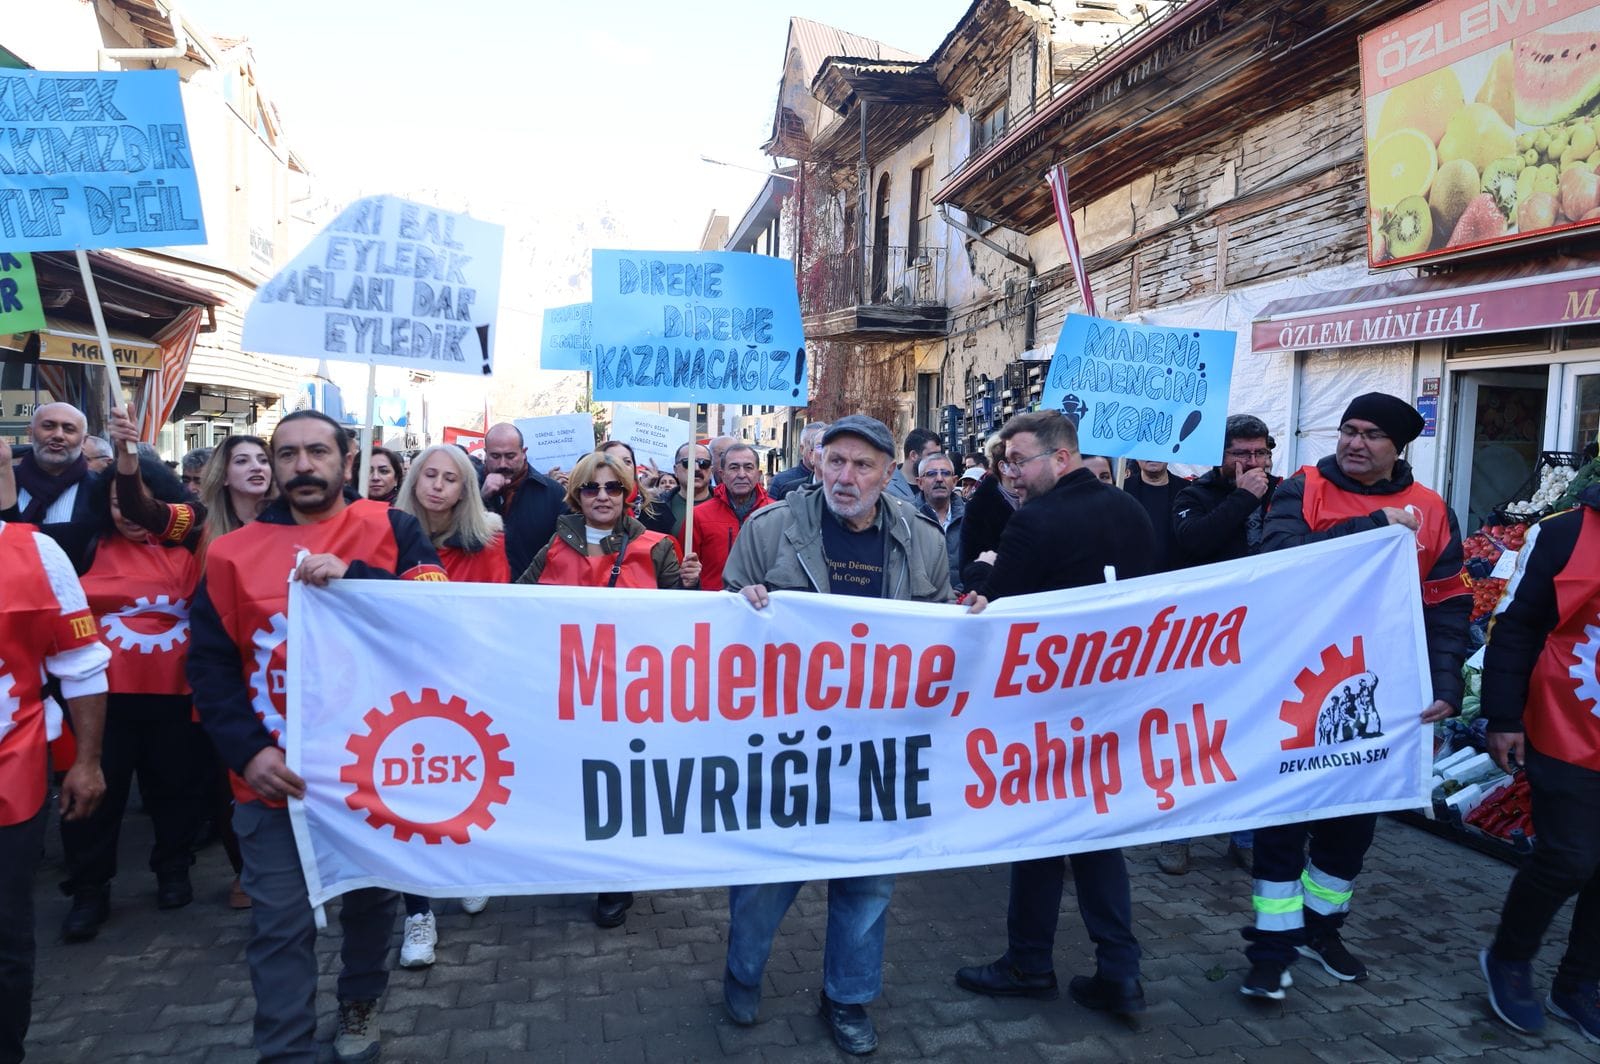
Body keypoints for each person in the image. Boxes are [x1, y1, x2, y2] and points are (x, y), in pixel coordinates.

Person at [187, 409, 447, 1064]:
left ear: (346, 458)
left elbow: (439, 614)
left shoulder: (394, 527)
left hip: (372, 770)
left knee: (370, 903)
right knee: (279, 924)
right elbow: (210, 668)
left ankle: (361, 1002)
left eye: (317, 452)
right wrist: (249, 751)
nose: (302, 465)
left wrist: (358, 579)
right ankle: (284, 1049)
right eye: (287, 453)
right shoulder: (230, 552)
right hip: (274, 777)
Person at [718, 414, 964, 1056]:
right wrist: (741, 601)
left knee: (867, 882)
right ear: (818, 464)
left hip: (878, 744)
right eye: (836, 461)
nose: (845, 476)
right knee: (766, 876)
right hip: (785, 744)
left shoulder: (922, 539)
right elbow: (720, 622)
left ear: (889, 474)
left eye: (862, 465)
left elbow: (937, 629)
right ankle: (742, 975)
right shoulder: (769, 529)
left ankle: (848, 998)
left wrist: (968, 619)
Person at [1243, 392, 1469, 999]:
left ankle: (1321, 929)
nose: (1354, 443)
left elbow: (1448, 604)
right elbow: (1277, 558)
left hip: (1380, 689)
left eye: (1371, 434)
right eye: (1348, 429)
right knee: (1283, 819)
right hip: (1296, 684)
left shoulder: (1431, 509)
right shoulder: (1305, 487)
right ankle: (1271, 946)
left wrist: (1446, 682)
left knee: (1352, 825)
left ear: (1399, 448)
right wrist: (1371, 528)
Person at [955, 410, 1155, 1019]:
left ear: (1061, 458)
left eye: (1019, 461)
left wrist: (985, 567)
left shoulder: (1036, 521)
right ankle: (1119, 970)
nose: (1010, 474)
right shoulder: (1130, 510)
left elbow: (994, 601)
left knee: (1040, 832)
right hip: (1115, 701)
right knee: (1097, 834)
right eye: (1005, 464)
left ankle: (1029, 963)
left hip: (1048, 706)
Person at [518, 450, 700, 931]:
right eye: (591, 488)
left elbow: (682, 623)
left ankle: (615, 880)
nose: (602, 496)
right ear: (576, 496)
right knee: (578, 781)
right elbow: (516, 605)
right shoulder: (554, 547)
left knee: (621, 787)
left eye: (613, 487)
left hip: (632, 696)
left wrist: (689, 586)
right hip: (573, 692)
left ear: (627, 493)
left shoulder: (658, 547)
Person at [58, 426, 205, 943]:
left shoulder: (192, 545)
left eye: (138, 501)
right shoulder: (80, 545)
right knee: (95, 796)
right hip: (101, 701)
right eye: (118, 502)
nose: (128, 512)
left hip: (178, 696)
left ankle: (174, 870)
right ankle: (89, 890)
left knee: (175, 788)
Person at [1477, 478, 1600, 1041]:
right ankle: (1509, 958)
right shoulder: (1564, 532)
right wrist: (1503, 716)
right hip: (1565, 721)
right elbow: (1516, 625)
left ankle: (1578, 984)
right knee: (1569, 859)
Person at [0, 443, 111, 1064]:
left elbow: (82, 663)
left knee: (4, 934)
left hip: (9, 778)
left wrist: (86, 761)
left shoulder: (35, 552)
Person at [391, 444, 506, 961]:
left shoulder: (488, 541)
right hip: (402, 683)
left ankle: (468, 865)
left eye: (450, 478)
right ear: (414, 480)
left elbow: (494, 611)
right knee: (409, 797)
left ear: (465, 490)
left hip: (465, 684)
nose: (437, 486)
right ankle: (418, 913)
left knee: (462, 785)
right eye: (429, 475)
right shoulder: (384, 533)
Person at [1160, 414, 1281, 876]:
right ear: (1220, 455)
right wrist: (1244, 497)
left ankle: (1245, 837)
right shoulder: (1193, 496)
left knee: (1252, 736)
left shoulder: (1286, 493)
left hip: (1264, 636)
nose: (1252, 462)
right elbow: (1194, 542)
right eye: (1240, 453)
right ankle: (1177, 834)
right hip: (1206, 640)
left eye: (1260, 452)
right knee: (1193, 739)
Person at [480, 423, 566, 582]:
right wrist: (480, 498)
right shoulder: (467, 487)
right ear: (485, 453)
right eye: (495, 456)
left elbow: (564, 553)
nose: (502, 464)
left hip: (533, 592)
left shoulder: (553, 493)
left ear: (524, 453)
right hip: (481, 591)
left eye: (510, 456)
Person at [694, 442, 773, 592]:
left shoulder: (775, 513)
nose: (741, 474)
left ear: (758, 474)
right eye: (734, 468)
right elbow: (688, 569)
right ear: (722, 474)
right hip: (716, 602)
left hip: (763, 601)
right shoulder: (699, 516)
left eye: (748, 467)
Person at [958, 436, 1021, 579]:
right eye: (1021, 461)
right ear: (1003, 467)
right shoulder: (979, 508)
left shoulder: (1041, 496)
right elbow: (969, 566)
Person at [198, 435, 276, 545]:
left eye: (263, 460)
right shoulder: (201, 528)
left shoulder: (291, 520)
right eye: (242, 461)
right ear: (223, 476)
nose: (257, 467)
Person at [1120, 460, 1186, 572]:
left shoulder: (1188, 490)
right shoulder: (1121, 489)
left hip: (1179, 574)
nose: (1153, 457)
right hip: (1134, 575)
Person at [916, 450, 965, 592]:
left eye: (945, 473)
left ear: (954, 481)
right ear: (920, 482)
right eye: (931, 474)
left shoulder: (972, 517)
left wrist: (961, 592)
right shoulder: (907, 516)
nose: (939, 479)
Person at [661, 441, 713, 542]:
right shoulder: (656, 508)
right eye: (688, 463)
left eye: (704, 463)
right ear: (675, 470)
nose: (696, 468)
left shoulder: (726, 505)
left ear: (711, 470)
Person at [767, 421, 827, 500]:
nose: (824, 451)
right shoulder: (781, 482)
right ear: (802, 449)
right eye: (814, 444)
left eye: (827, 444)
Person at [885, 426, 941, 502]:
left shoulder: (940, 483)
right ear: (913, 455)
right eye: (932, 456)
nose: (937, 460)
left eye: (938, 456)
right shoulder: (886, 486)